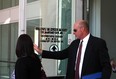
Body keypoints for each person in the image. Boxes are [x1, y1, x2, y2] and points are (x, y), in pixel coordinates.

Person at [34, 20, 112, 79]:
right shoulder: (74, 44)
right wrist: (41, 52)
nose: (73, 33)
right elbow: (61, 54)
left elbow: (106, 66)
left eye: (75, 30)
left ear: (82, 29)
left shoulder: (98, 43)